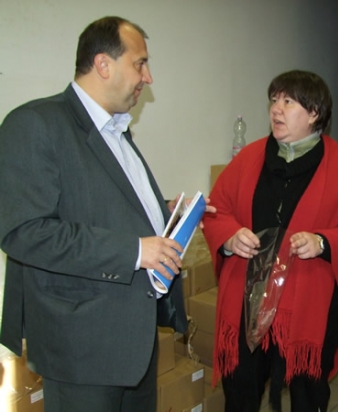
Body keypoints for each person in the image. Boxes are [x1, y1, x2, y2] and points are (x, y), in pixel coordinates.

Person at [0, 16, 214, 412]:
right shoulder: (34, 124)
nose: (148, 77)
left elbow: (102, 206)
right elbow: (25, 232)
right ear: (103, 64)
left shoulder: (116, 131)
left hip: (134, 340)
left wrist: (165, 211)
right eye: (140, 63)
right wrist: (136, 250)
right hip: (82, 349)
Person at [201, 69, 338, 412]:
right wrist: (229, 237)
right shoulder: (249, 158)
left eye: (288, 101)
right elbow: (215, 210)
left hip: (310, 303)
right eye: (274, 100)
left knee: (307, 396)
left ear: (314, 113)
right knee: (240, 390)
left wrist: (323, 242)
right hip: (247, 299)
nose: (276, 109)